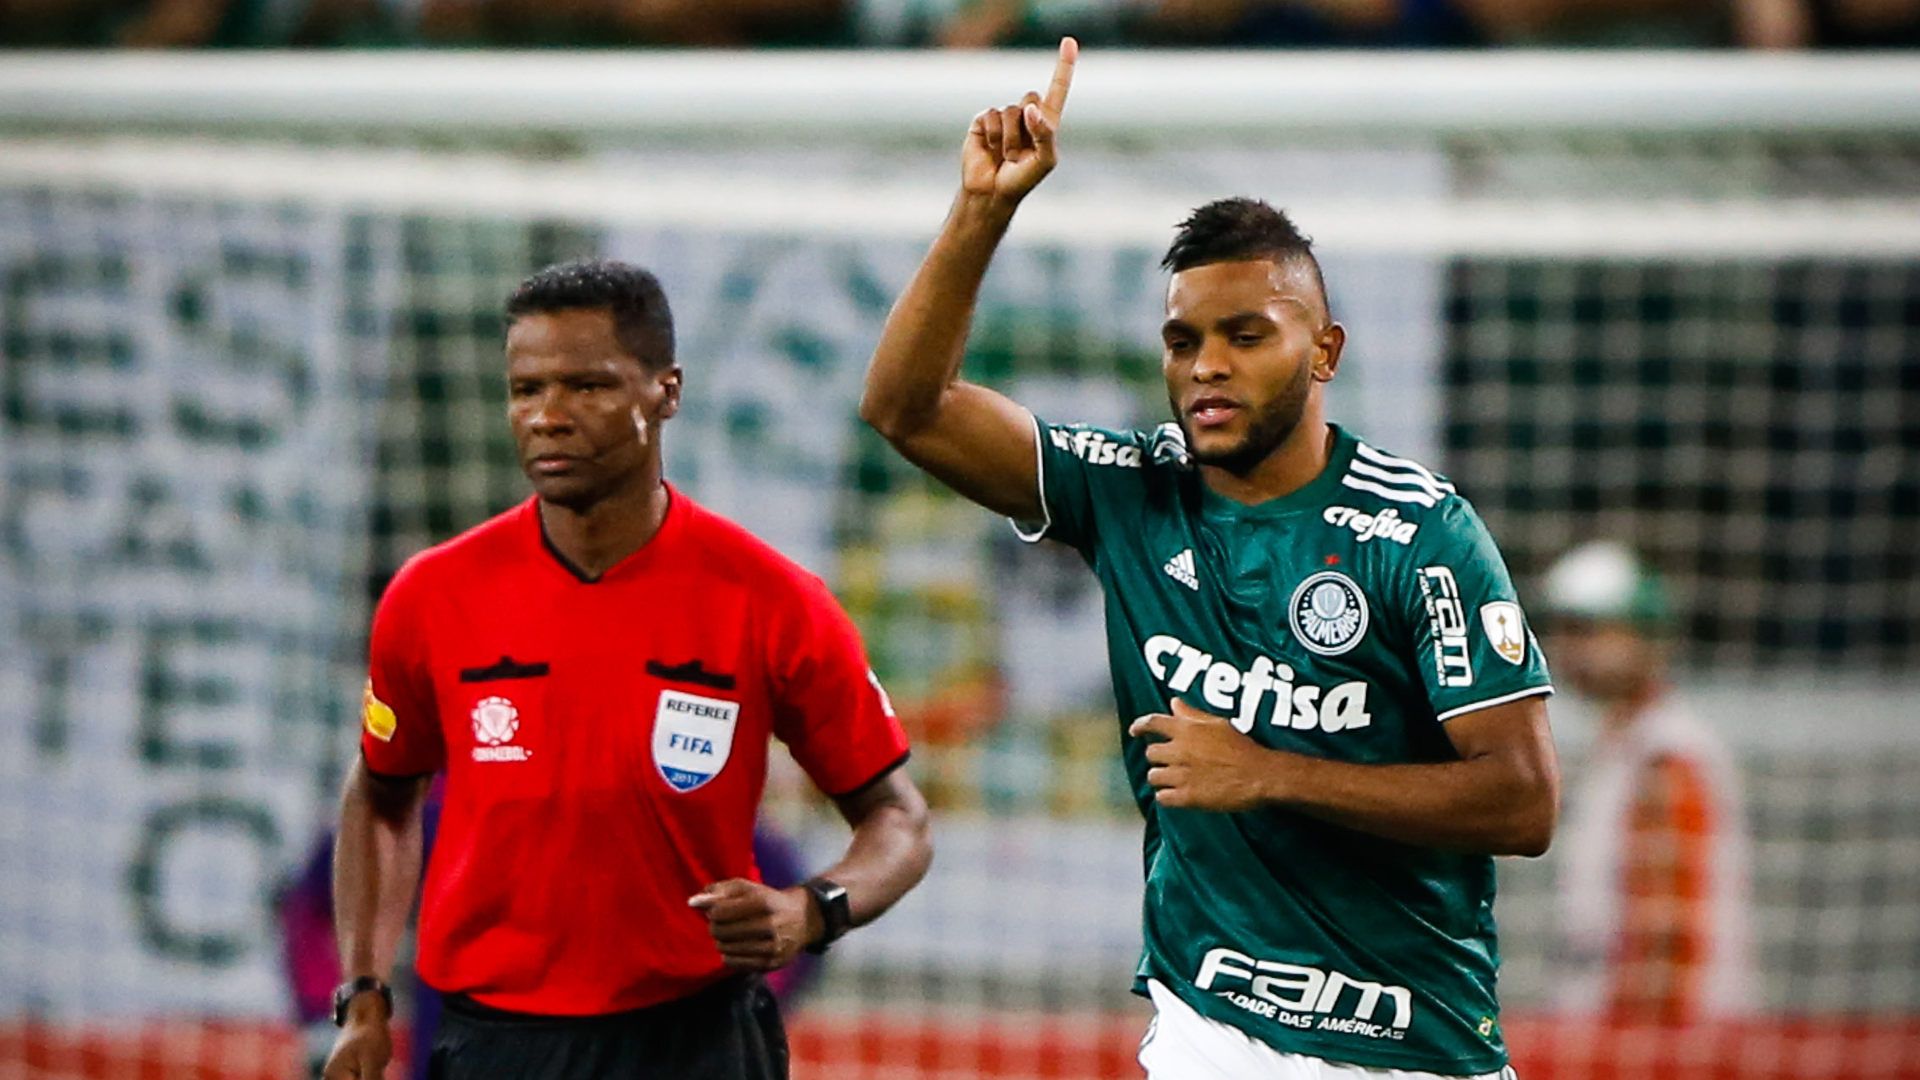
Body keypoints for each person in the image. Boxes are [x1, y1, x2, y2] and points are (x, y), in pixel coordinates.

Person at [860, 39, 1559, 1079]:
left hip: (1411, 1044)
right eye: (1183, 340)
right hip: (1208, 1033)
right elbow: (906, 409)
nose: (1206, 365)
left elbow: (1522, 801)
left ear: (1324, 351)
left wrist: (1266, 773)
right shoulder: (1131, 492)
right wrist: (984, 210)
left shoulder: (1422, 534)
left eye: (1246, 334)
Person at [324, 258, 933, 1080]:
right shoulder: (432, 596)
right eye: (526, 389)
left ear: (665, 392)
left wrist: (810, 910)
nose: (548, 416)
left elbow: (899, 821)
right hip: (491, 1046)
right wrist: (364, 997)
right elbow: (381, 796)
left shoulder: (771, 600)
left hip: (698, 1041)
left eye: (588, 386)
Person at [1539, 540, 1753, 1022]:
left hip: (1662, 1045)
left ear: (1646, 636)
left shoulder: (1664, 757)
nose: (1573, 648)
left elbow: (1665, 937)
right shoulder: (1629, 749)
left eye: (1592, 630)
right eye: (1567, 629)